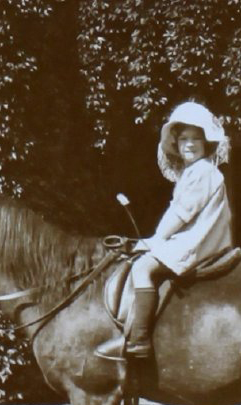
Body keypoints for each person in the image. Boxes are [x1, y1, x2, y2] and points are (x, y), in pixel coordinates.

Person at [96, 101, 233, 361]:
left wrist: (155, 240)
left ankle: (139, 340)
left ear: (206, 143)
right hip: (194, 236)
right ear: (176, 145)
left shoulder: (203, 171)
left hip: (199, 240)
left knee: (142, 267)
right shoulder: (193, 172)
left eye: (195, 139)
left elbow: (181, 214)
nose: (189, 144)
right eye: (183, 140)